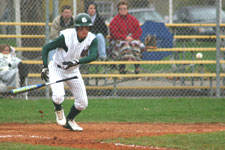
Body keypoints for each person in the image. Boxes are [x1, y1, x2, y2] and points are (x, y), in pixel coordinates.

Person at [41, 13, 98, 131]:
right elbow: (46, 48)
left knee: (83, 103)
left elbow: (93, 56)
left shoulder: (92, 38)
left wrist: (77, 61)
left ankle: (70, 120)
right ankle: (58, 109)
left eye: (87, 28)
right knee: (58, 96)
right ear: (76, 28)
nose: (84, 31)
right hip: (57, 68)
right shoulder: (66, 37)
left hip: (73, 71)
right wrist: (45, 67)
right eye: (81, 28)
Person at [109, 0, 144, 74]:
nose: (123, 10)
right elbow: (114, 33)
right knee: (125, 45)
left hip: (132, 39)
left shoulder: (133, 19)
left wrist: (132, 37)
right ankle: (122, 66)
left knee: (135, 44)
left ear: (127, 9)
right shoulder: (115, 20)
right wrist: (124, 38)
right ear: (118, 10)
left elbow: (139, 30)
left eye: (125, 8)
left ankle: (137, 66)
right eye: (121, 9)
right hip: (119, 40)